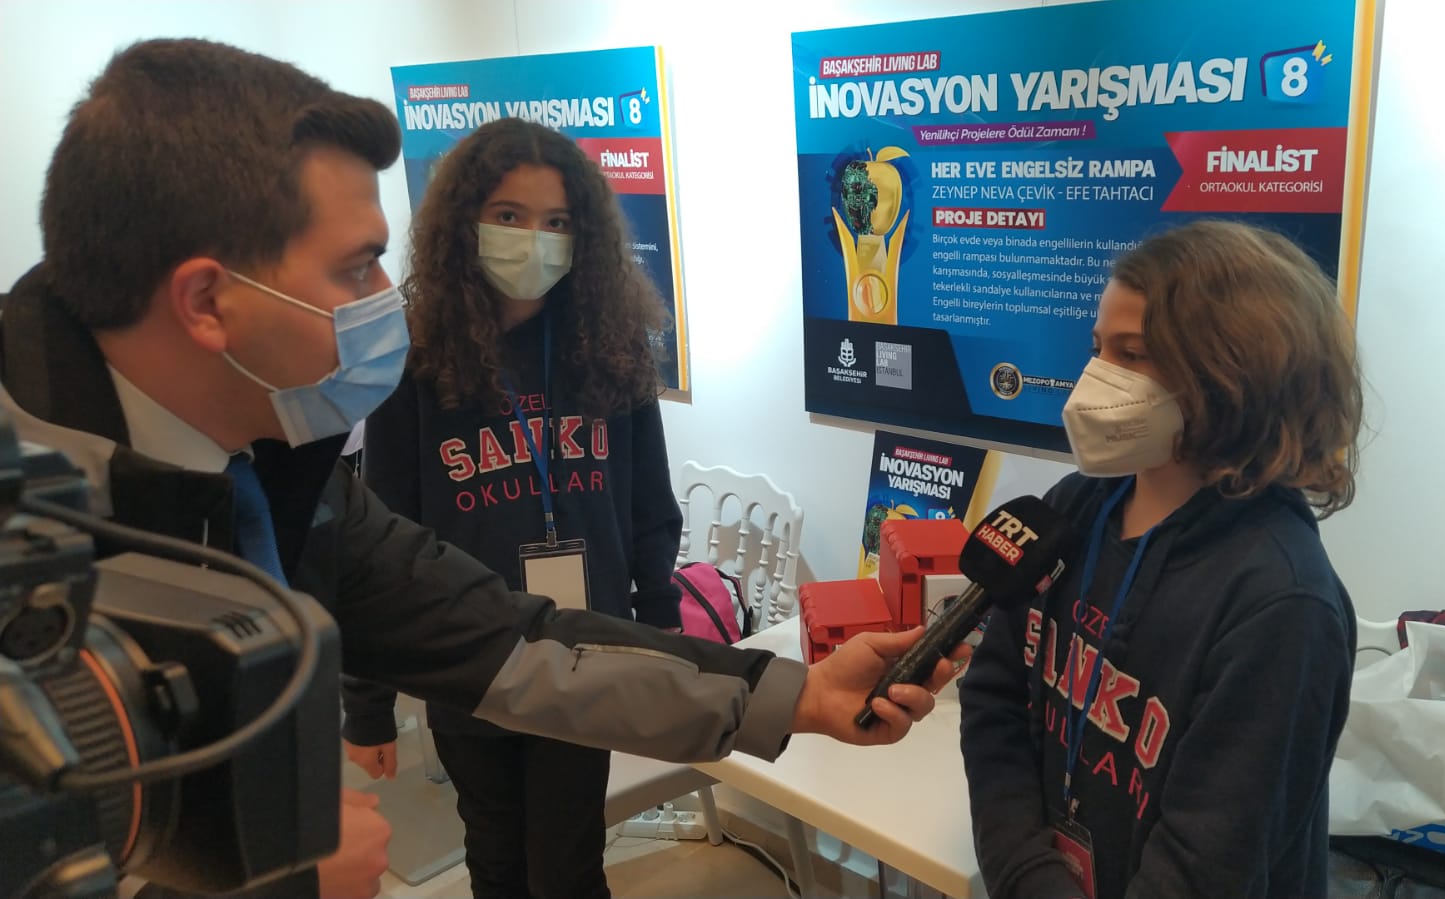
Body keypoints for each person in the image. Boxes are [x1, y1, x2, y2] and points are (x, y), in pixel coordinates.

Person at [0, 38, 962, 898]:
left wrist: (795, 692)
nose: (385, 297)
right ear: (209, 302)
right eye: (357, 266)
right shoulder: (33, 533)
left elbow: (513, 642)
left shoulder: (286, 476)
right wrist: (265, 874)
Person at [959, 220, 1362, 899]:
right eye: (1098, 349)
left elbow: (1212, 856)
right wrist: (1028, 873)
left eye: (1133, 353)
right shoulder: (1074, 507)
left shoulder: (1282, 601)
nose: (1096, 378)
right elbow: (994, 695)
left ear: (1233, 371)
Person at [339, 118, 685, 899]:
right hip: (469, 655)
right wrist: (367, 703)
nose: (534, 239)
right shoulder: (415, 358)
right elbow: (377, 542)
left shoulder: (611, 348)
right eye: (509, 215)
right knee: (494, 856)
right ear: (464, 223)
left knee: (567, 864)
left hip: (583, 649)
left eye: (556, 221)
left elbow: (647, 498)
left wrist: (660, 616)